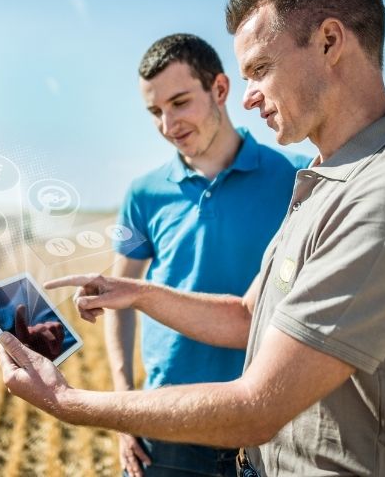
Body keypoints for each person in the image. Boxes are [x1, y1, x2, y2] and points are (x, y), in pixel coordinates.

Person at [0, 0, 385, 477]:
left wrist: (68, 402)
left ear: (329, 41)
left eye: (260, 69)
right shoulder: (328, 182)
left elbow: (258, 408)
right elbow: (250, 317)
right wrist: (139, 293)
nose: (249, 95)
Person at [105, 34, 306, 477]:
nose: (167, 124)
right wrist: (124, 404)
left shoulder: (296, 178)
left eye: (179, 102)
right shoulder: (143, 193)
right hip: (168, 420)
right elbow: (120, 304)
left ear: (219, 89)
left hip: (270, 419)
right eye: (155, 112)